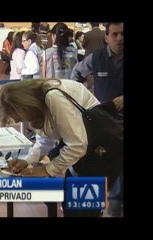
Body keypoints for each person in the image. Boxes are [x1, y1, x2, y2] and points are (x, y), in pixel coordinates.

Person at [0, 78, 102, 217]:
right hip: (85, 150)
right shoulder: (39, 106)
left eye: (16, 116)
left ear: (24, 105)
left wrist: (47, 170)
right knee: (73, 206)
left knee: (81, 209)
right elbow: (44, 140)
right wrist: (28, 160)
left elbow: (77, 145)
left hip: (98, 150)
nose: (16, 121)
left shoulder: (53, 97)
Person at [71, 22, 124, 216]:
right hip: (101, 124)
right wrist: (82, 99)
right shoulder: (97, 58)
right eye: (115, 34)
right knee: (93, 168)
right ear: (107, 37)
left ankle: (114, 210)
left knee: (120, 175)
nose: (119, 38)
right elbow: (76, 74)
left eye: (123, 34)